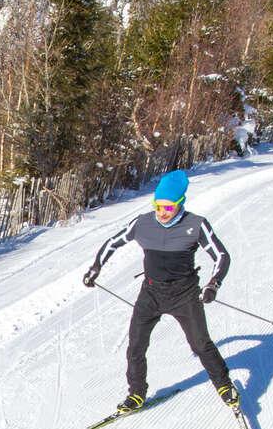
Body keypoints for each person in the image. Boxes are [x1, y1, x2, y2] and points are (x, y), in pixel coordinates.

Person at [82, 169, 237, 413]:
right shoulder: (142, 223)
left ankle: (225, 386)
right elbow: (113, 242)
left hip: (184, 295)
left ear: (180, 204)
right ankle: (136, 394)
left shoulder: (196, 225)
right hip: (151, 294)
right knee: (136, 346)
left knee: (200, 345)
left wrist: (213, 284)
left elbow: (221, 256)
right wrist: (96, 267)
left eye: (168, 207)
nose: (162, 212)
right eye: (158, 206)